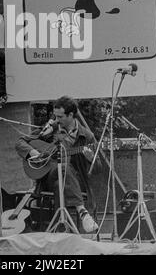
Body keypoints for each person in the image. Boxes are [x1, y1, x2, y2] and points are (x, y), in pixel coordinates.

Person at [16, 95, 99, 233]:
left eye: (60, 117)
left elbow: (98, 169)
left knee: (62, 177)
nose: (56, 120)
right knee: (62, 169)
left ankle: (61, 230)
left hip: (77, 181)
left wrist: (91, 159)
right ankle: (83, 212)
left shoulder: (87, 136)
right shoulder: (51, 130)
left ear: (71, 115)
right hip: (49, 177)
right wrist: (33, 153)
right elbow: (20, 142)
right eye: (55, 116)